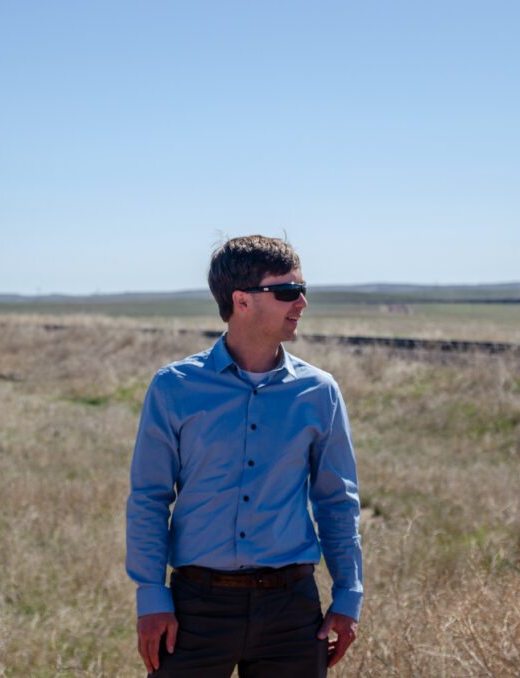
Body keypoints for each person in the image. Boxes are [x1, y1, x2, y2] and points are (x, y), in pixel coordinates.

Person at [126, 235, 363, 677]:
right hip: (195, 610)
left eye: (303, 289)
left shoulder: (319, 392)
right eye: (288, 291)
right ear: (241, 300)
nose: (302, 302)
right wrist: (151, 597)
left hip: (293, 612)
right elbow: (150, 498)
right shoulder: (174, 387)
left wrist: (349, 594)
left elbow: (336, 500)